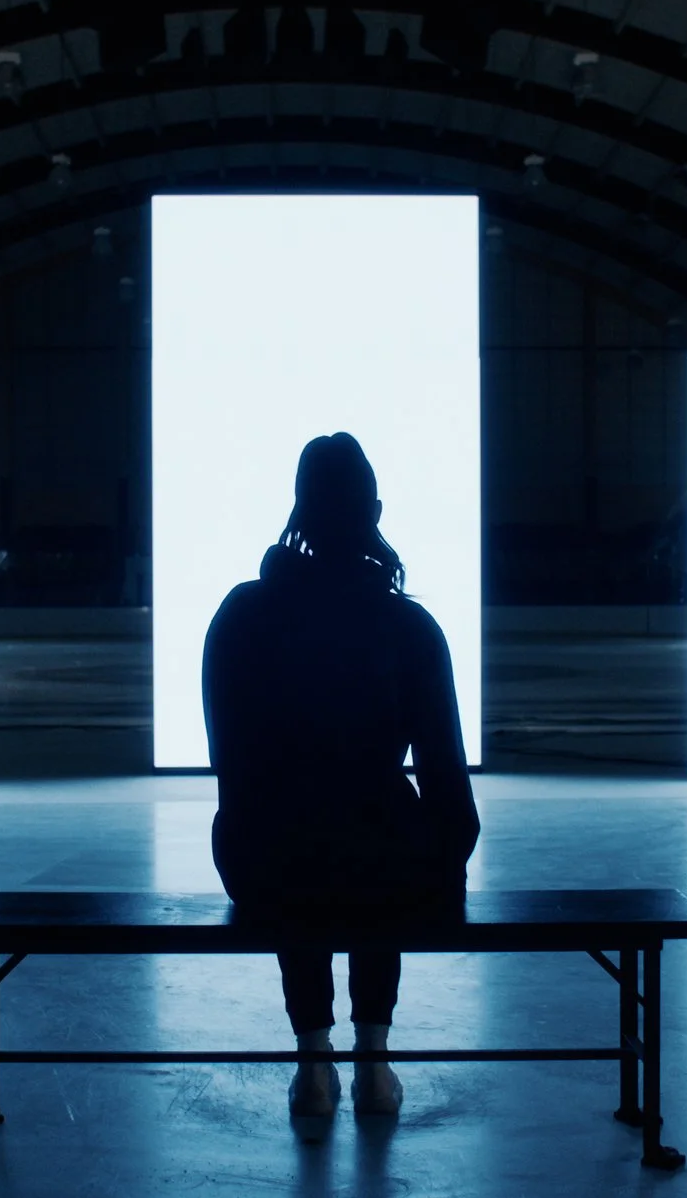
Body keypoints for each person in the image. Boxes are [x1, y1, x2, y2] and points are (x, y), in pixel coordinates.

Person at [202, 433, 480, 1119]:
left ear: (298, 509)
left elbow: (232, 772)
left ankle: (313, 1060)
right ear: (374, 512)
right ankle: (373, 1061)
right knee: (380, 834)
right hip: (382, 861)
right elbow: (448, 785)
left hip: (267, 864)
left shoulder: (241, 616)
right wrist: (445, 864)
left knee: (293, 833)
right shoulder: (409, 628)